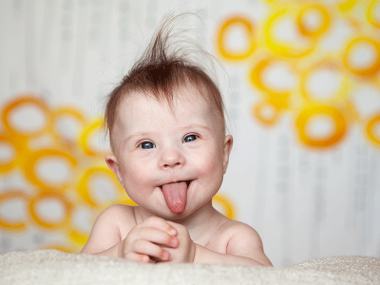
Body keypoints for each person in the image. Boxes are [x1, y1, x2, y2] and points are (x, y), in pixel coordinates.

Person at [80, 14, 272, 266]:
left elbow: (267, 277)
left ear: (224, 154)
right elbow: (75, 271)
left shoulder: (232, 238)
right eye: (146, 144)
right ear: (119, 171)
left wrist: (196, 255)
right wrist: (119, 252)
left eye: (190, 137)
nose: (171, 158)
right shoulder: (116, 224)